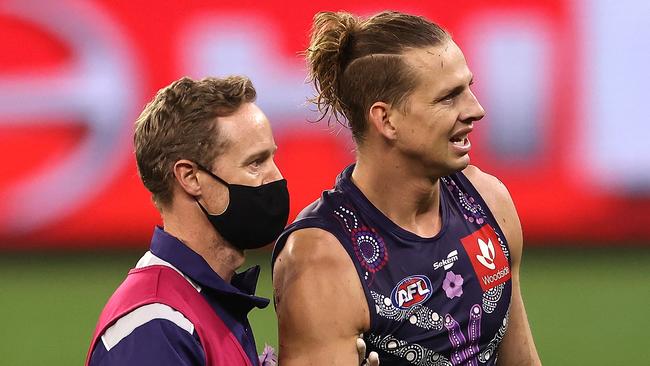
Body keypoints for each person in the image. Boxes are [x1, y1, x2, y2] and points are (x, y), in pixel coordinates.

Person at [272, 10, 542, 366]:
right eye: (449, 97)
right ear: (386, 120)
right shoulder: (320, 261)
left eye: (469, 88)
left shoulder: (489, 202)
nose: (475, 110)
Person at [85, 75, 379, 366]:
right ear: (190, 177)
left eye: (271, 158)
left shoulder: (205, 303)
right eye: (255, 163)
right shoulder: (155, 326)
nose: (276, 177)